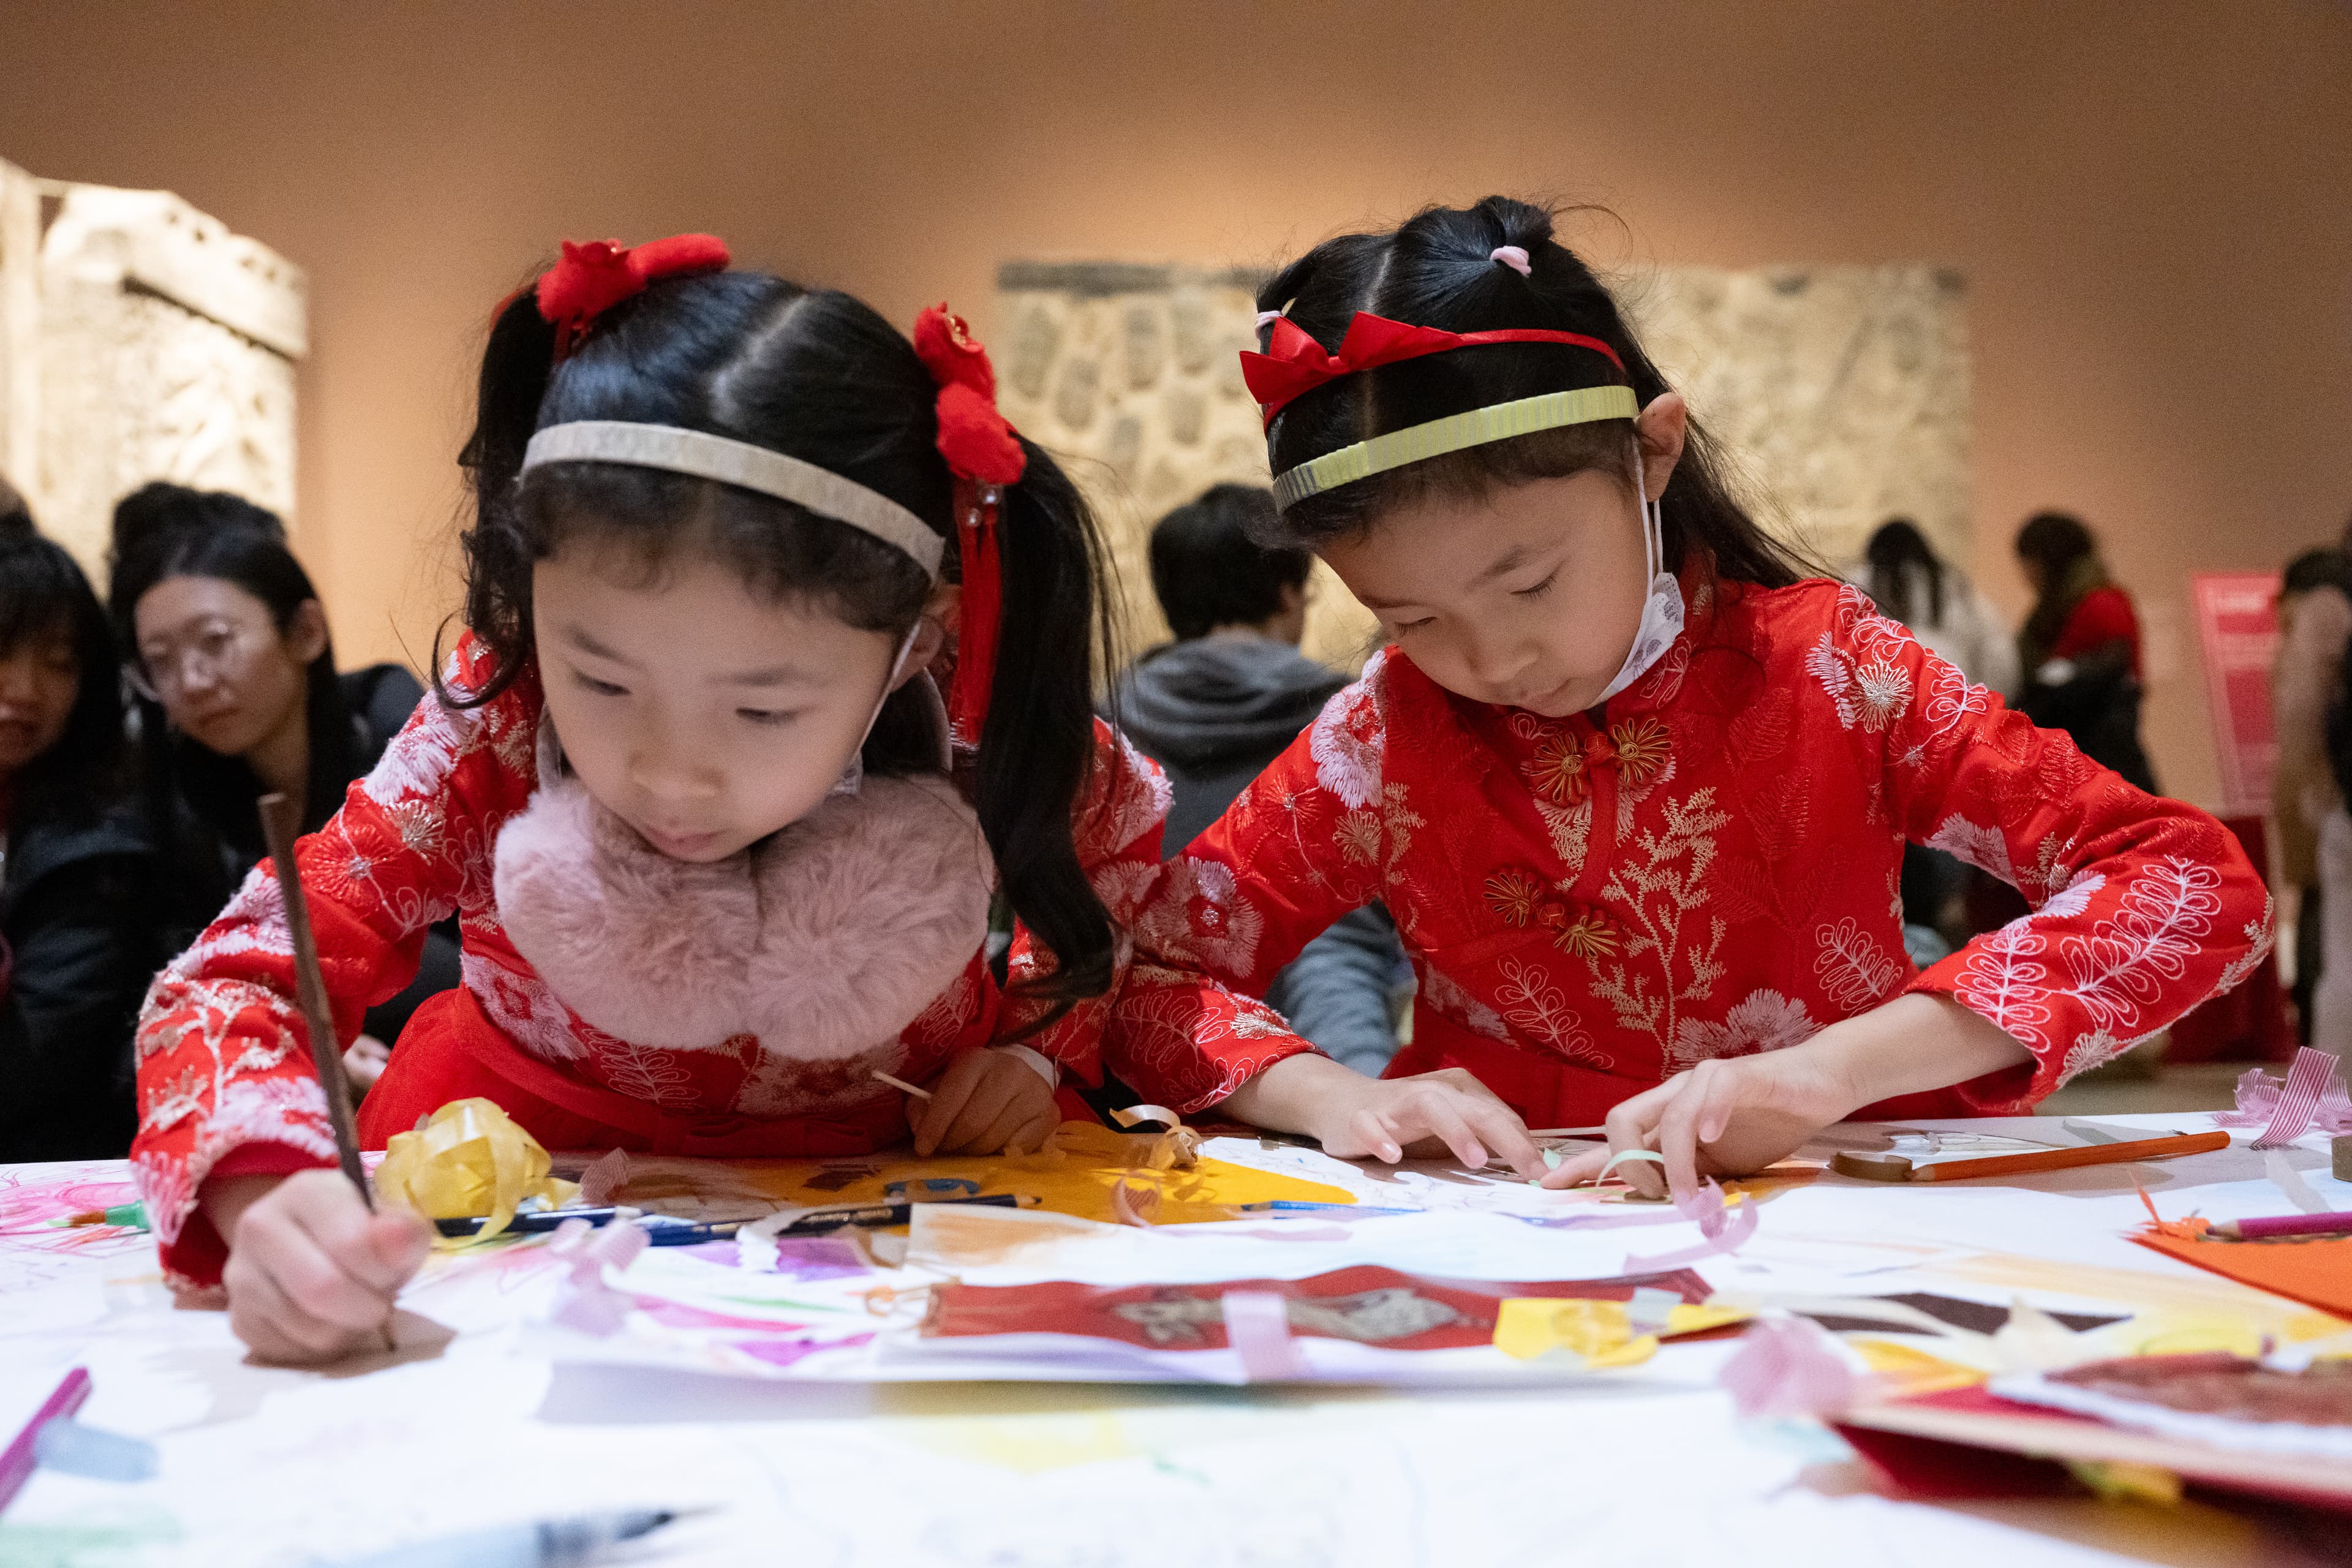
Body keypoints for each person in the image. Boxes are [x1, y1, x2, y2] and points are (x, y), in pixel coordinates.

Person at [131, 233, 1170, 1362]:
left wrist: (1034, 1052)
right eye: (603, 678)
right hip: (509, 1218)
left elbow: (1115, 869)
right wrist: (262, 1190)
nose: (671, 774)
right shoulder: (501, 725)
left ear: (914, 642)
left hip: (897, 1229)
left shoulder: (987, 731)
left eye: (763, 710)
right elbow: (233, 977)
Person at [1103, 197, 2268, 1198]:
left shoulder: (1833, 674)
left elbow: (2190, 885)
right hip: (1513, 1225)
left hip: (1853, 1204)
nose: (1495, 660)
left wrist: (1837, 1069)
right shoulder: (1385, 740)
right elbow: (1140, 979)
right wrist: (1324, 1093)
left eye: (1532, 580)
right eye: (1410, 620)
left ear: (1651, 452)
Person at [107, 483, 454, 1094]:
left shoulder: (404, 741)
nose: (189, 681)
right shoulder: (182, 797)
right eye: (159, 660)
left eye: (216, 641)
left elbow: (471, 963)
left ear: (305, 633)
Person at [1110, 483, 1406, 1074]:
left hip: (1135, 1030)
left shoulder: (1103, 722)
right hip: (1333, 1012)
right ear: (1286, 592)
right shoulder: (1352, 717)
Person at [0, 508, 175, 1161]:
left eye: (58, 663)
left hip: (45, 1179)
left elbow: (36, 1062)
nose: (24, 690)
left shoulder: (98, 840)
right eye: (2, 651)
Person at [1845, 518, 2019, 954]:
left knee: (1889, 837)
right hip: (1948, 729)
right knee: (1945, 828)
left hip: (1879, 736)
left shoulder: (1856, 584)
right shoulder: (1955, 590)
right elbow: (2001, 659)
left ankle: (1899, 931)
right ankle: (1946, 918)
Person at [2013, 511, 2157, 793]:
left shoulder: (2101, 604)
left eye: (2028, 562)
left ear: (2045, 560)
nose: (2026, 575)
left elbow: (2115, 664)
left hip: (2105, 759)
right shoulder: (2062, 611)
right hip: (2088, 759)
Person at [2286, 542, 2352, 1054]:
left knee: (2340, 951)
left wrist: (2315, 785)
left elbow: (2303, 710)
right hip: (2337, 791)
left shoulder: (2326, 607)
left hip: (2340, 794)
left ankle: (2331, 1083)